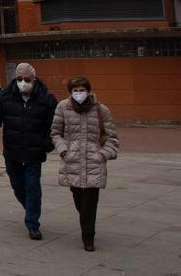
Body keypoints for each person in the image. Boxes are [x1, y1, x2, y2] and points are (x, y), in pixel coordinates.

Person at [0, 62, 58, 240]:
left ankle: (32, 224)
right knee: (18, 186)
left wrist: (47, 144)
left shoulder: (46, 98)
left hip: (34, 151)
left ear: (34, 79)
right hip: (13, 151)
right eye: (19, 79)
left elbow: (56, 124)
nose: (23, 82)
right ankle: (32, 209)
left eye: (27, 79)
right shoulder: (5, 96)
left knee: (32, 186)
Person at [51, 76, 119, 252]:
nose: (79, 93)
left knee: (90, 201)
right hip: (72, 161)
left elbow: (112, 137)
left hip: (94, 162)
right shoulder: (63, 107)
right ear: (70, 92)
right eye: (75, 90)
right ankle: (86, 222)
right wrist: (64, 150)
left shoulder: (101, 110)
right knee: (78, 198)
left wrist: (102, 154)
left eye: (82, 90)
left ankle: (88, 237)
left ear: (88, 91)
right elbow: (55, 133)